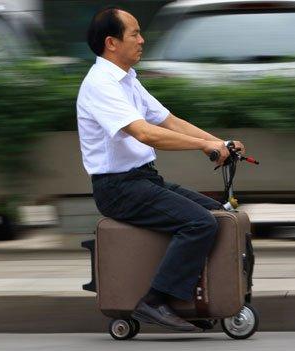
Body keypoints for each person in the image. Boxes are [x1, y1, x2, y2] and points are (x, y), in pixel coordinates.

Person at [76, 6, 246, 332]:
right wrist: (203, 146)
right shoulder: (101, 84)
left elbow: (168, 121)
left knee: (217, 216)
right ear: (112, 43)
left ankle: (194, 301)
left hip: (143, 180)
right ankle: (155, 301)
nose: (143, 40)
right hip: (118, 188)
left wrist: (219, 142)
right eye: (135, 33)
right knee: (198, 223)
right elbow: (144, 132)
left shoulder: (127, 80)